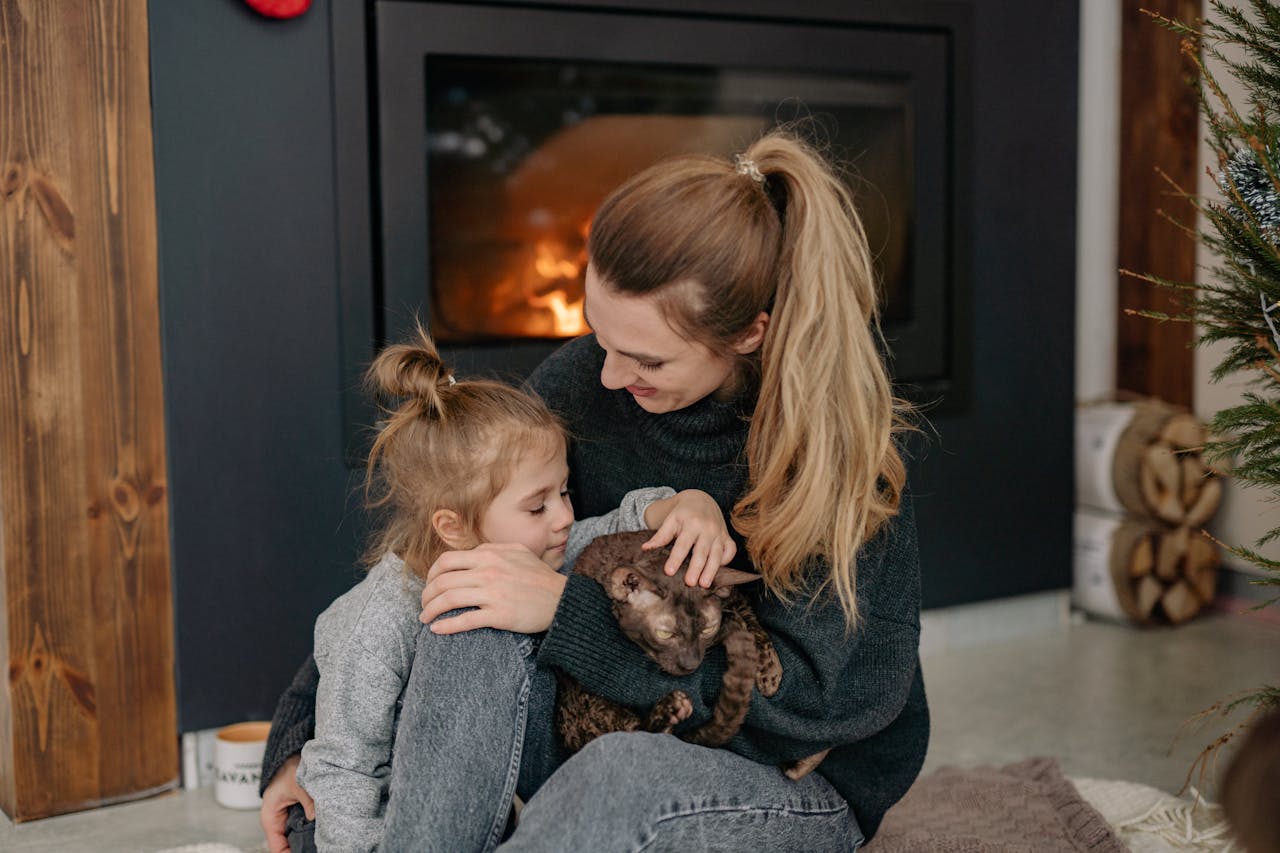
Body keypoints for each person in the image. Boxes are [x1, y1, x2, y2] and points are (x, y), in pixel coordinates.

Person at [260, 128, 928, 852]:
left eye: (644, 358)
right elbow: (433, 552)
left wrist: (570, 613)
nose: (608, 376)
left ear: (749, 334)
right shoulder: (587, 383)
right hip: (605, 715)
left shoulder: (839, 455)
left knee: (618, 775)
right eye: (598, 338)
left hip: (791, 781)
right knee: (471, 603)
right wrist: (305, 740)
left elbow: (814, 709)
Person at [289, 329, 737, 852]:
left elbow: (610, 530)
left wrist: (680, 506)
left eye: (565, 491)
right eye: (538, 506)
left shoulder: (540, 550)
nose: (566, 517)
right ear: (453, 527)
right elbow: (345, 764)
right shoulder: (374, 622)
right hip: (385, 829)